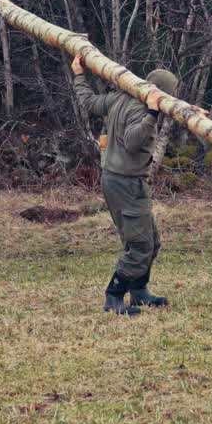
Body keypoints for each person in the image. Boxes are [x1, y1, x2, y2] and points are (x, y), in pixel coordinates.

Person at [72, 53, 177, 316]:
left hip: (120, 180)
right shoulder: (143, 110)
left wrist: (79, 75)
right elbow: (132, 140)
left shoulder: (120, 97)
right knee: (140, 245)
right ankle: (114, 296)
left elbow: (88, 102)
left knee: (151, 240)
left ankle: (139, 292)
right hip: (125, 183)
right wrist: (153, 114)